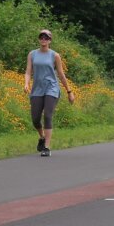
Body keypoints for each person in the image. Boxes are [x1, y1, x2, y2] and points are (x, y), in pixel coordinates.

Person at [23, 29, 75, 157]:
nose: (43, 39)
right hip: (37, 89)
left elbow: (61, 74)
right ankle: (42, 137)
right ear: (39, 39)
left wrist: (69, 91)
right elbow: (28, 71)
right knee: (35, 119)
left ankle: (46, 147)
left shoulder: (54, 55)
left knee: (47, 115)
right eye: (41, 37)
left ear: (50, 40)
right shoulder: (32, 54)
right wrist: (26, 83)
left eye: (46, 38)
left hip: (51, 88)